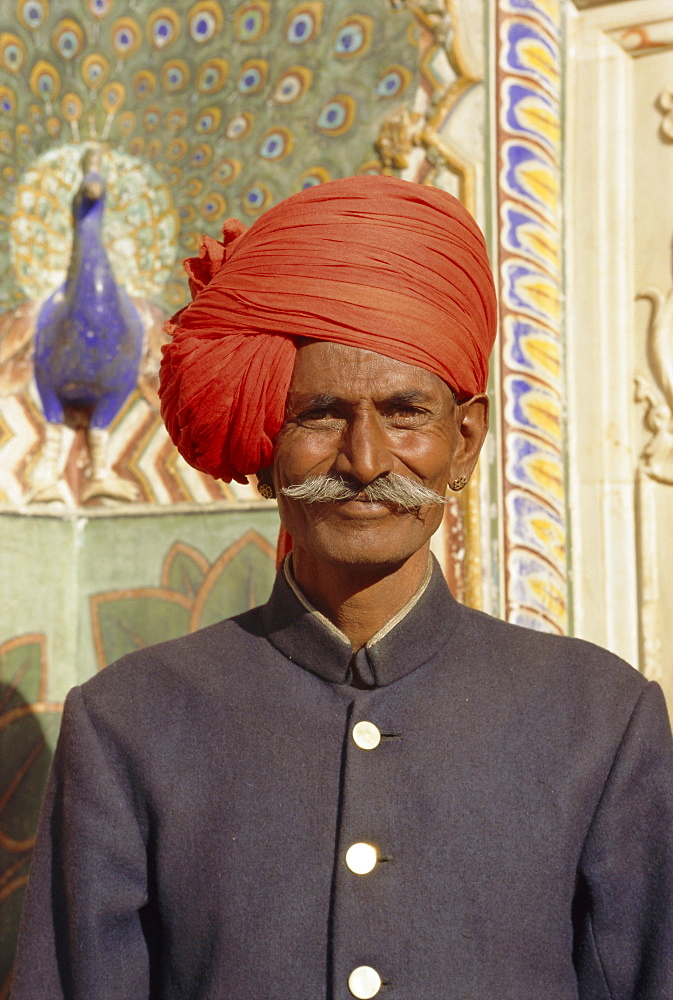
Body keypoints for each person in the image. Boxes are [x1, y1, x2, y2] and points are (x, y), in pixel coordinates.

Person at [11, 176, 673, 1000]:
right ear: (262, 441)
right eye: (320, 414)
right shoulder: (133, 725)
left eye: (405, 414)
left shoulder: (596, 721)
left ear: (464, 441)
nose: (364, 461)